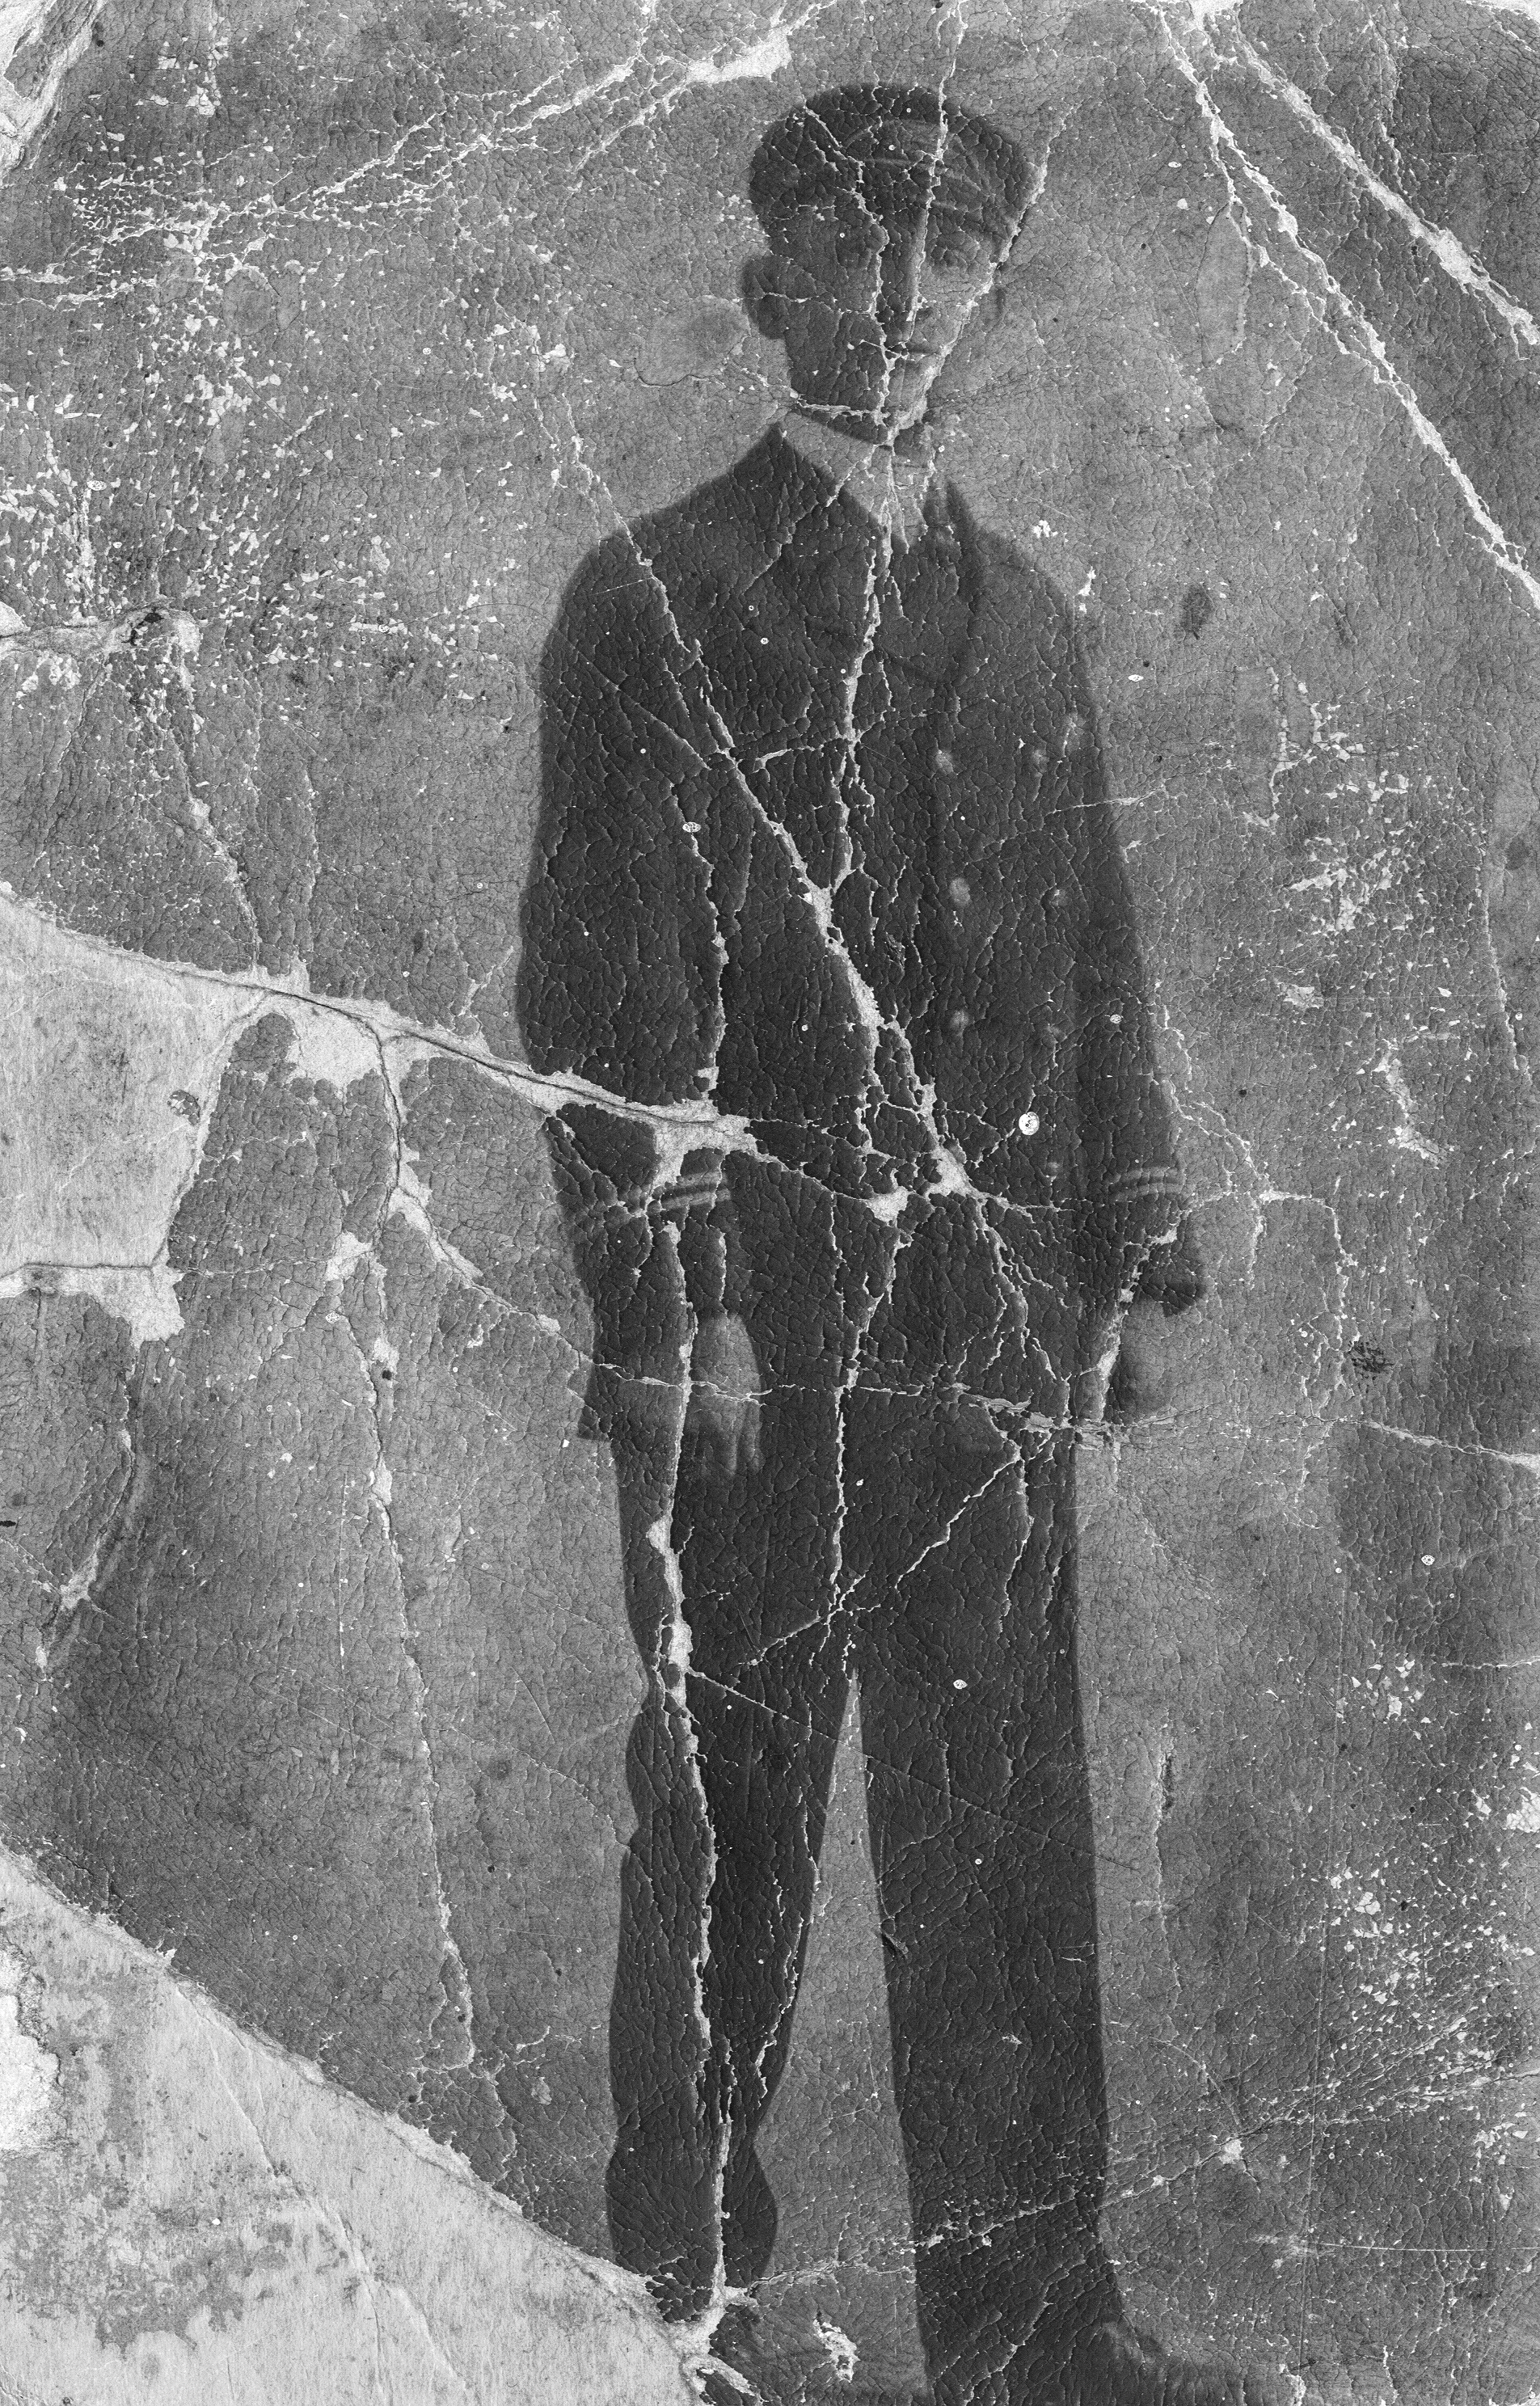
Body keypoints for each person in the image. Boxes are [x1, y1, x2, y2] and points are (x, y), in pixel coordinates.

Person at [518, 82, 1266, 2406]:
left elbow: (1098, 958)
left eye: (949, 261)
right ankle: (684, 2320)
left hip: (987, 1334)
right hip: (763, 1332)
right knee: (732, 1823)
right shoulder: (657, 593)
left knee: (1005, 1847)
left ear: (995, 300)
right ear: (774, 286)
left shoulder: (1022, 622)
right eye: (853, 253)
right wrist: (667, 1312)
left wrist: (1133, 1240)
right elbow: (606, 987)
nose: (903, 298)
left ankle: (1040, 2338)